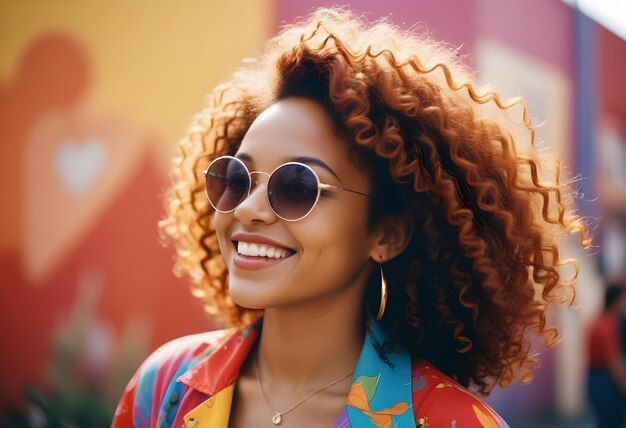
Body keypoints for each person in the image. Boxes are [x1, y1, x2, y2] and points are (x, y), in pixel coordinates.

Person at [111, 7, 590, 428]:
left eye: (296, 187)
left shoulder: (456, 424)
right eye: (237, 179)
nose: (249, 208)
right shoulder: (163, 392)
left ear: (387, 233)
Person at [587, 280, 626, 427]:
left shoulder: (600, 321)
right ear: (616, 300)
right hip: (603, 379)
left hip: (597, 377)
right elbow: (613, 362)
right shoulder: (606, 324)